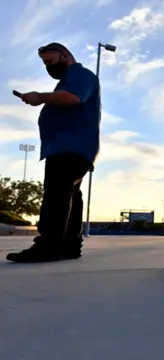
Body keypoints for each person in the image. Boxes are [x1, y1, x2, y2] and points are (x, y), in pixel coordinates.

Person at [7, 43, 100, 263]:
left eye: (50, 61)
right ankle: (69, 245)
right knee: (71, 195)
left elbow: (73, 98)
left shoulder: (81, 74)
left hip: (70, 145)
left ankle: (48, 246)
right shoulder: (67, 81)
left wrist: (40, 96)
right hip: (73, 147)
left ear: (65, 56)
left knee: (57, 194)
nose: (48, 66)